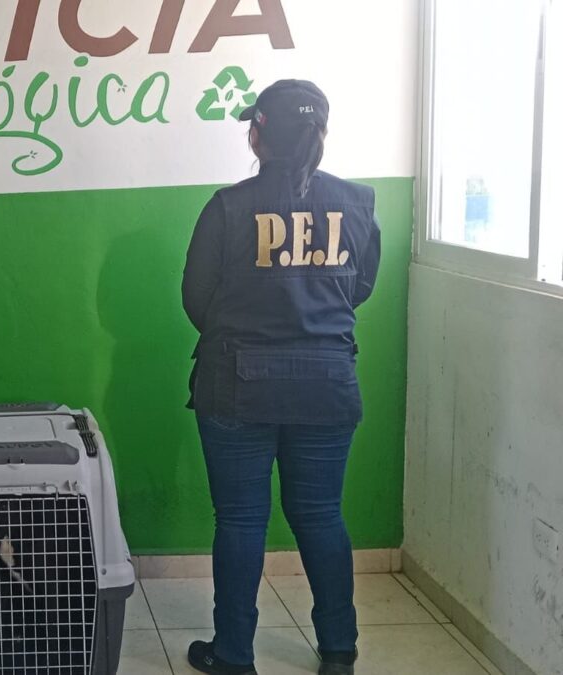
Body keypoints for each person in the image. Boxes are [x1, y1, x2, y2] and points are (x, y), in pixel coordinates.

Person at [181, 80, 381, 675]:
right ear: (322, 133)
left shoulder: (228, 207)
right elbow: (359, 288)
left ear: (257, 135)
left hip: (237, 385)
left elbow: (197, 300)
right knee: (320, 515)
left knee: (241, 520)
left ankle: (234, 655)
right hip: (327, 384)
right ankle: (339, 650)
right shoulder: (357, 203)